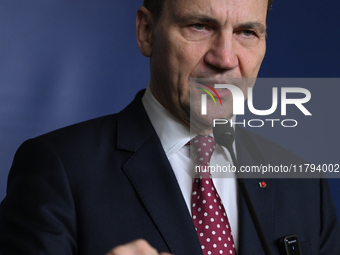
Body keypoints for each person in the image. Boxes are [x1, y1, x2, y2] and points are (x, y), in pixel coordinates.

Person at [0, 0, 339, 255]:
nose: (224, 58)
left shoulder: (302, 179)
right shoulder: (58, 169)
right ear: (147, 32)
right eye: (199, 26)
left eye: (246, 32)